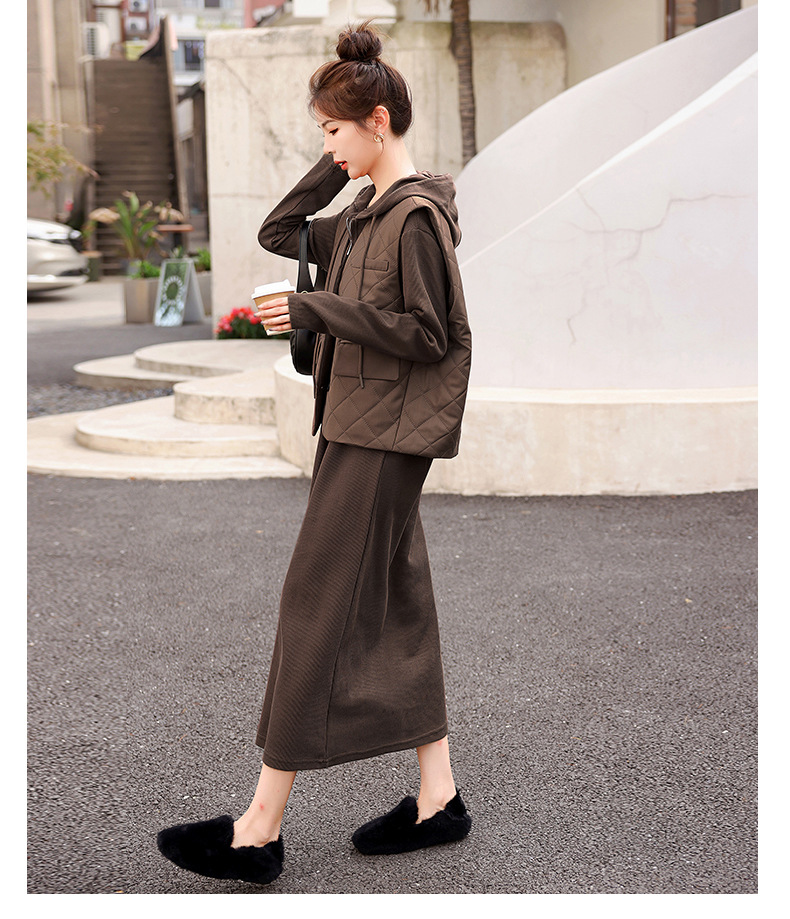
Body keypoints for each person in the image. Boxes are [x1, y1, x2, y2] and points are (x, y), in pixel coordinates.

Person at [156, 21, 473, 887]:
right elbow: (279, 229)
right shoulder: (365, 213)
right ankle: (438, 797)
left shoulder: (413, 219)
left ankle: (258, 829)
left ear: (379, 120)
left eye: (334, 129)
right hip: (358, 427)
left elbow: (431, 333)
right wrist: (340, 164)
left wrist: (316, 310)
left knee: (314, 604)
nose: (327, 145)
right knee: (399, 598)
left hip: (381, 436)